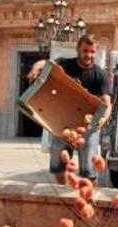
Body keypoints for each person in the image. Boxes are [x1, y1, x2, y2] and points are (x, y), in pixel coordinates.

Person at [26, 34, 112, 184]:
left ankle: (88, 198)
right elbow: (44, 63)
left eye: (92, 52)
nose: (88, 55)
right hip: (63, 121)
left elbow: (106, 102)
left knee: (88, 168)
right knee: (58, 165)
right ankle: (62, 191)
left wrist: (102, 120)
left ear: (96, 51)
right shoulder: (65, 65)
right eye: (85, 51)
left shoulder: (100, 75)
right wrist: (34, 69)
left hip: (89, 124)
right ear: (78, 49)